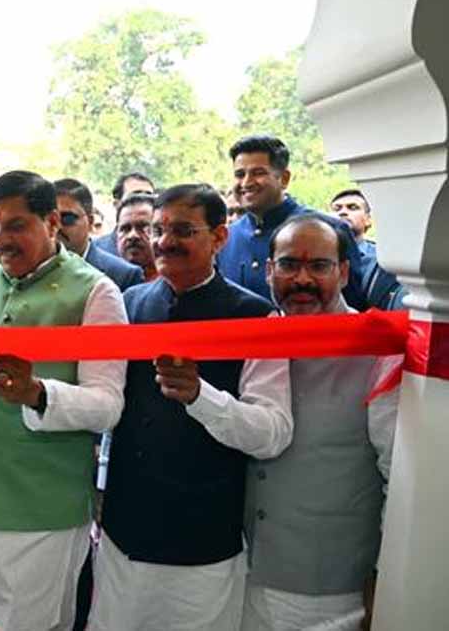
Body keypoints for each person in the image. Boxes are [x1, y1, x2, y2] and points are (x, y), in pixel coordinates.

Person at [0, 170, 128, 631]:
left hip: (40, 514)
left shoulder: (97, 293)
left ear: (51, 222)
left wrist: (37, 394)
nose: (1, 240)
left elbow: (107, 405)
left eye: (15, 226)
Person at [90, 184, 292, 631]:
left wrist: (202, 397)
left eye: (183, 230)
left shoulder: (255, 318)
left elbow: (273, 433)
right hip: (123, 532)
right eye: (158, 230)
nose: (164, 242)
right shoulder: (131, 304)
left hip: (202, 540)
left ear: (219, 237)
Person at [242, 214, 402, 630]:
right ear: (269, 270)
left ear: (344, 272)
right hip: (243, 573)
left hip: (332, 585)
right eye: (288, 265)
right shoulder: (255, 335)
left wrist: (388, 575)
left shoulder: (379, 348)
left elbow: (399, 476)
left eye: (319, 266)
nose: (302, 279)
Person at [216, 135, 369, 310]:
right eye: (239, 174)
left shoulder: (330, 229)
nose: (246, 182)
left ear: (284, 178)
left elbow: (352, 305)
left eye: (258, 173)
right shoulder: (227, 237)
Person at [54, 178, 144, 291]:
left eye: (67, 218)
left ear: (90, 221)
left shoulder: (124, 275)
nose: (57, 226)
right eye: (50, 219)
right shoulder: (35, 269)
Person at [328, 188, 407, 310]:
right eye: (337, 209)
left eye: (352, 207)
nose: (343, 212)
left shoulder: (384, 260)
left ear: (368, 220)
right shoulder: (314, 253)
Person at [93, 171, 155, 257]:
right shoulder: (95, 251)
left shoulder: (165, 252)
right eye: (135, 196)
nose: (143, 201)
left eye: (149, 197)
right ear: (117, 204)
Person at [115, 192, 158, 282]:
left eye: (143, 227)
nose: (132, 235)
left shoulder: (175, 283)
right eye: (125, 229)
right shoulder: (103, 279)